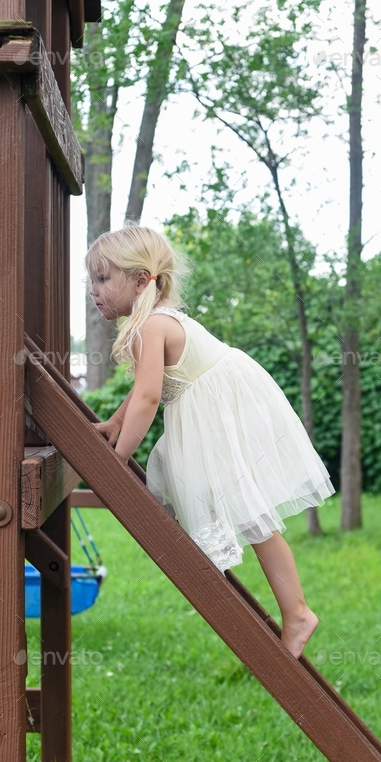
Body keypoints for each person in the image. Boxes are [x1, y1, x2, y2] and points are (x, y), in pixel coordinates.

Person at [85, 222, 335, 658]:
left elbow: (148, 397)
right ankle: (295, 612)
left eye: (103, 278)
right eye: (93, 279)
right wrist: (114, 421)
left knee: (251, 514)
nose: (94, 289)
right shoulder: (157, 323)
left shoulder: (151, 327)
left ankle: (297, 614)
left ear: (142, 280)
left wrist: (118, 457)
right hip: (216, 406)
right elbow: (145, 389)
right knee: (252, 517)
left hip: (213, 414)